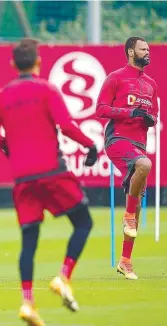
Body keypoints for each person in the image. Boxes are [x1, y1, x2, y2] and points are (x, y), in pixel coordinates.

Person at [0, 38, 98, 326]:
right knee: (83, 223)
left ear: (12, 65)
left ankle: (28, 303)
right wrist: (90, 146)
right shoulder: (46, 89)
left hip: (23, 179)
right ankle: (63, 277)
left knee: (29, 243)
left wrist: (5, 144)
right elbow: (67, 125)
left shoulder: (1, 95)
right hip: (52, 172)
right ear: (38, 62)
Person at [96, 36, 158, 280]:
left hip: (139, 143)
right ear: (131, 52)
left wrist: (149, 119)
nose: (148, 52)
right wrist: (129, 112)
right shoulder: (116, 77)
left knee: (138, 201)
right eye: (143, 49)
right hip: (118, 139)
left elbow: (153, 114)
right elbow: (100, 109)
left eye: (149, 49)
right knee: (145, 164)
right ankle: (128, 215)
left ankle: (125, 261)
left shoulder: (151, 84)